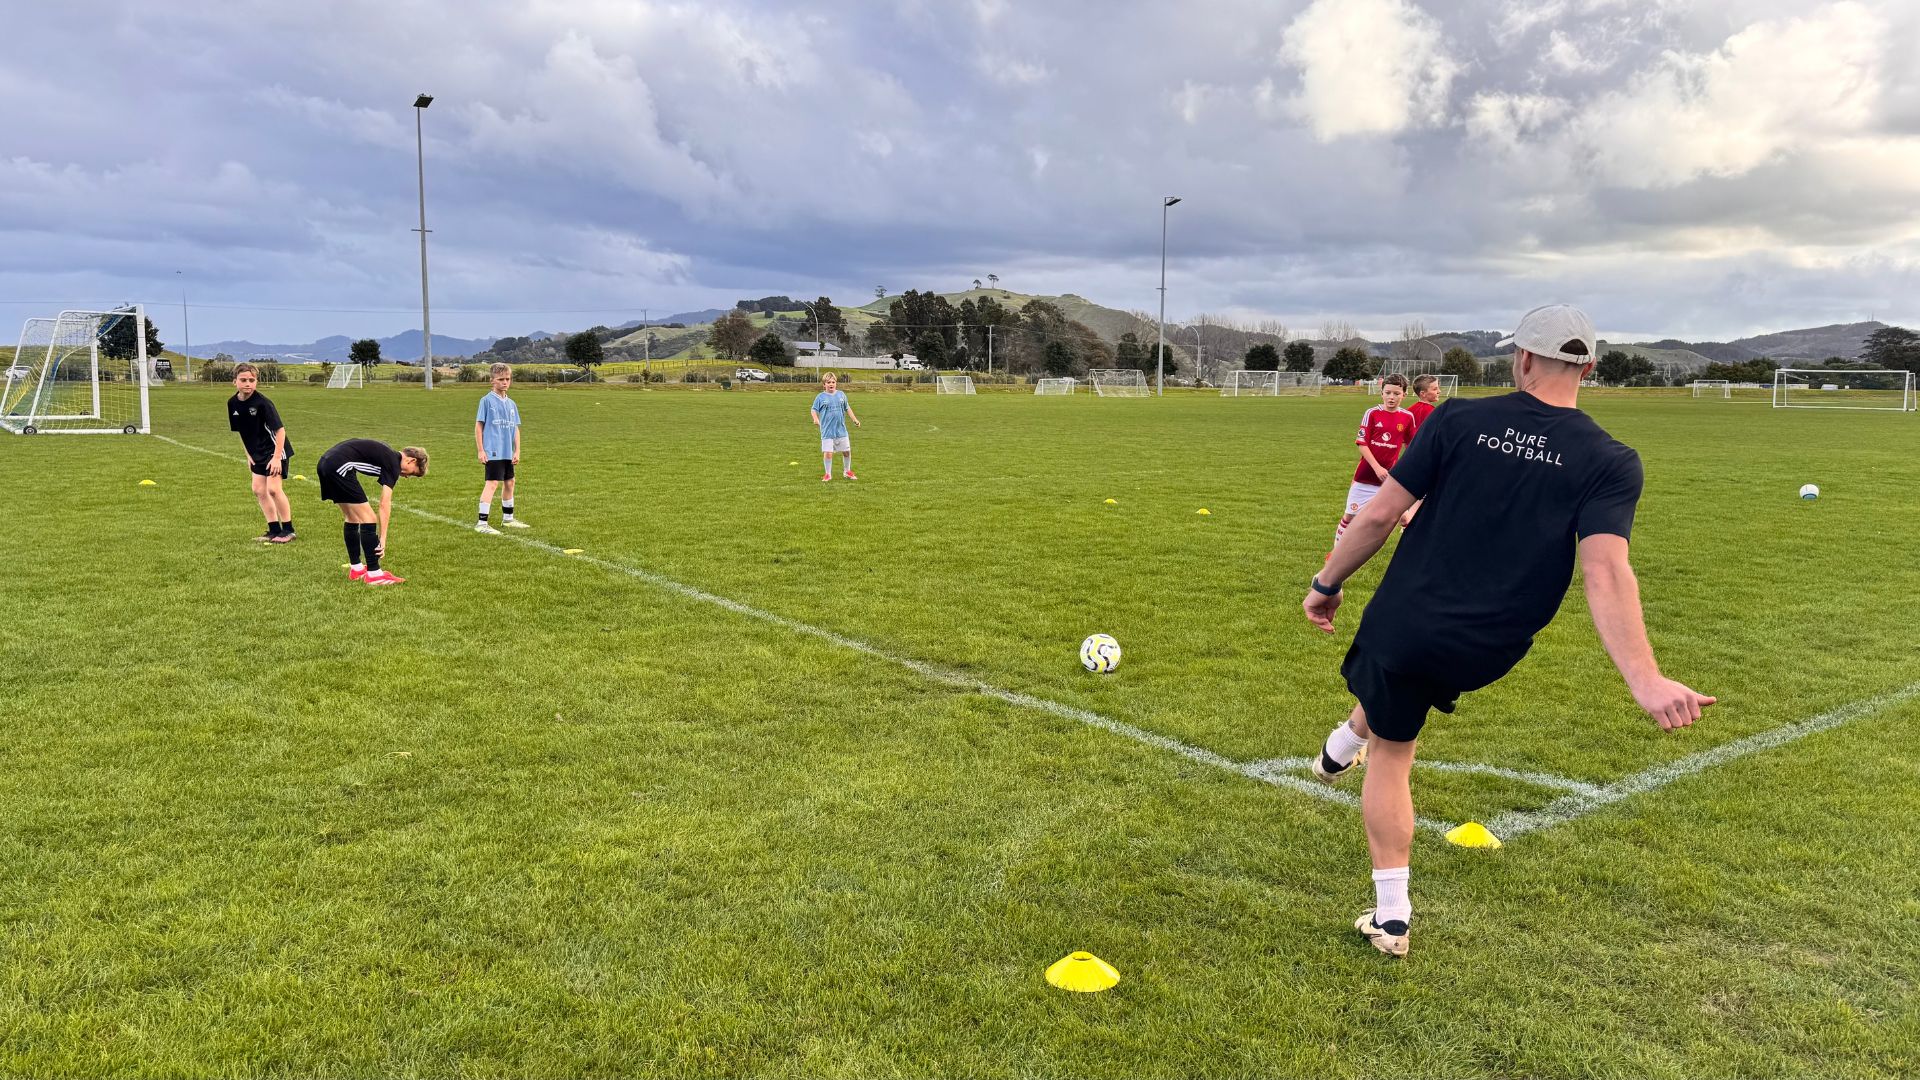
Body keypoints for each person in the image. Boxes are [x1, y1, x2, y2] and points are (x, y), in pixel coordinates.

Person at [1301, 303, 1713, 958]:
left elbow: (1379, 516)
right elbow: (1605, 572)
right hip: (1492, 644)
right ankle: (1345, 739)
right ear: (1590, 368)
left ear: (1522, 358)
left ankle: (1392, 916)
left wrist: (1325, 586)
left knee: (1395, 749)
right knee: (1396, 688)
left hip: (1410, 617)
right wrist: (1646, 678)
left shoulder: (1458, 419)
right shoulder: (1612, 459)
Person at [316, 439, 429, 586]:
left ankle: (356, 568)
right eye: (412, 473)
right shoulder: (393, 463)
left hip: (325, 464)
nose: (407, 476)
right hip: (339, 466)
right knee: (368, 518)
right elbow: (384, 503)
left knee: (352, 517)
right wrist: (382, 538)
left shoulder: (388, 453)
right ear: (411, 460)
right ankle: (374, 574)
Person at [1331, 373, 1413, 552]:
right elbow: (1362, 444)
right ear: (1381, 393)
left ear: (1404, 395)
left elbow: (1411, 445)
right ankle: (1335, 555)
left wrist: (1405, 468)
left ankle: (1413, 555)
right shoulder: (1372, 413)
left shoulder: (1407, 417)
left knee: (1405, 519)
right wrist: (1377, 468)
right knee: (1350, 516)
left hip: (1391, 478)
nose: (1392, 397)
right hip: (1366, 476)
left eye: (1396, 394)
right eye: (1388, 393)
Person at [227, 362, 295, 543]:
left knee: (273, 489)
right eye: (243, 380)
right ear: (235, 382)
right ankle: (274, 530)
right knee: (258, 490)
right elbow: (241, 432)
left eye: (252, 380)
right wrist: (248, 455)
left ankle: (288, 530)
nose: (248, 383)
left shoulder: (263, 403)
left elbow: (280, 431)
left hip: (275, 450)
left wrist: (276, 459)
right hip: (256, 453)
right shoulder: (232, 403)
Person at [473, 363, 527, 533]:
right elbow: (479, 426)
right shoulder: (486, 401)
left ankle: (508, 519)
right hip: (493, 450)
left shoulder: (511, 404)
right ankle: (482, 524)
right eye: (501, 379)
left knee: (510, 482)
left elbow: (515, 428)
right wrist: (481, 450)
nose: (505, 382)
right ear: (492, 381)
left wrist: (517, 450)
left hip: (507, 451)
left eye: (507, 379)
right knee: (492, 483)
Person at [1399, 374, 1443, 527]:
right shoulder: (1434, 413)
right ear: (1423, 393)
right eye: (1435, 388)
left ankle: (1407, 517)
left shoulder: (1408, 411)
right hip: (1426, 459)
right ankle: (1408, 520)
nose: (1439, 391)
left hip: (1409, 456)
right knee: (1428, 492)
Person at [810, 371, 861, 482]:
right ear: (824, 384)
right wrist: (815, 419)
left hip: (841, 430)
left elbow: (847, 408)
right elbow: (813, 409)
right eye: (828, 382)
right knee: (828, 453)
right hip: (827, 431)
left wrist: (855, 420)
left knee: (846, 451)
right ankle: (828, 474)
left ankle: (847, 471)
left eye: (833, 382)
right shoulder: (820, 397)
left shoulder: (841, 395)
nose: (831, 384)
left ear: (836, 383)